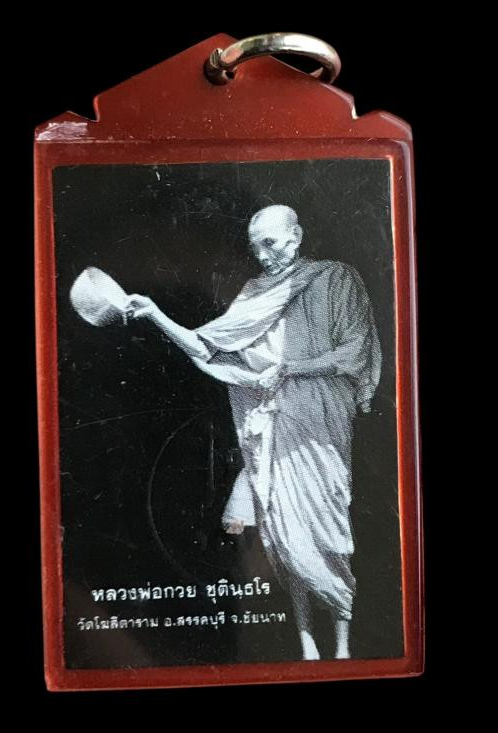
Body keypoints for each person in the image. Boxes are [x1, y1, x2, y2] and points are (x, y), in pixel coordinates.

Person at [124, 204, 381, 660]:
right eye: (255, 247)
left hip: (321, 422)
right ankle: (307, 646)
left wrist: (290, 368)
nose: (263, 256)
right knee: (283, 530)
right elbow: (205, 345)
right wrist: (156, 314)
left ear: (296, 236)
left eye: (271, 243)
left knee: (327, 527)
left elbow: (353, 351)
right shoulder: (253, 294)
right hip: (274, 424)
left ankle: (343, 651)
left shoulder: (334, 278)